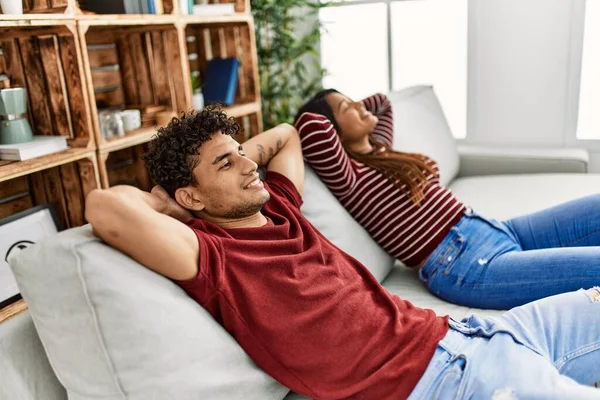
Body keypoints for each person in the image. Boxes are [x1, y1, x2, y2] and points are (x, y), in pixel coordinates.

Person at [85, 105, 600, 400]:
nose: (247, 165)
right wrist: (168, 206)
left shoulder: (282, 207)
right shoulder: (214, 253)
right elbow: (105, 209)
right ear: (192, 198)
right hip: (454, 380)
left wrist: (234, 160)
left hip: (480, 334)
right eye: (226, 163)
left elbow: (286, 136)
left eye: (242, 152)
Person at [295, 89, 600, 310]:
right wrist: (333, 108)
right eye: (347, 107)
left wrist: (351, 108)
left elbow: (384, 104)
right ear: (334, 129)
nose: (361, 105)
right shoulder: (349, 175)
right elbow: (309, 126)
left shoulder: (380, 150)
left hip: (494, 229)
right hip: (464, 266)